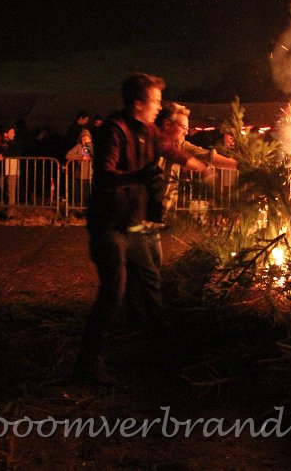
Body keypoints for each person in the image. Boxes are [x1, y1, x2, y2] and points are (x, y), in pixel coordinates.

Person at [73, 73, 212, 385]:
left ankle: (157, 344)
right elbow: (106, 174)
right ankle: (87, 363)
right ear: (138, 103)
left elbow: (169, 149)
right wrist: (139, 176)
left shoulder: (148, 131)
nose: (158, 108)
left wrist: (198, 165)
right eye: (155, 101)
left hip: (132, 222)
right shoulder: (115, 131)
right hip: (109, 224)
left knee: (147, 276)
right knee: (113, 290)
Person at [0, 124, 23, 218]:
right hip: (2, 167)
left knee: (11, 189)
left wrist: (3, 154)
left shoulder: (16, 141)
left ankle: (10, 212)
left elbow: (17, 151)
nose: (14, 134)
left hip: (12, 167)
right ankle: (6, 205)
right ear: (5, 133)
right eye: (12, 132)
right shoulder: (0, 141)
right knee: (1, 184)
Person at [65, 128, 94, 209]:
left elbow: (94, 155)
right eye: (83, 137)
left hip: (90, 173)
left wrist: (88, 145)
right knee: (80, 191)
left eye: (86, 137)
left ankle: (87, 206)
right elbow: (68, 155)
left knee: (89, 190)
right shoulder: (78, 146)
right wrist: (80, 157)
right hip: (81, 173)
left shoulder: (92, 146)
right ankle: (79, 205)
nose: (84, 139)